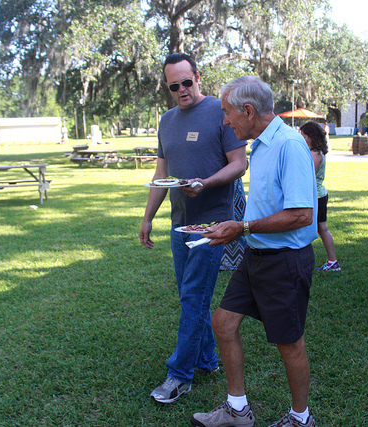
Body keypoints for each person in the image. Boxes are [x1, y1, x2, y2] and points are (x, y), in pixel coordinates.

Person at [192, 76, 319, 427]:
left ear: (248, 111)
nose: (225, 121)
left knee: (289, 343)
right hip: (257, 255)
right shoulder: (261, 145)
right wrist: (235, 225)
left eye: (227, 112)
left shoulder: (289, 145)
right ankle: (237, 410)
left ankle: (301, 419)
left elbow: (301, 215)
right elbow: (267, 203)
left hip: (285, 261)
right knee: (223, 322)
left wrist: (243, 228)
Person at [139, 53, 247, 404]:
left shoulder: (219, 111)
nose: (182, 89)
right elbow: (161, 174)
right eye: (175, 86)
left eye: (187, 82)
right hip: (179, 223)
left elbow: (239, 164)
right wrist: (148, 217)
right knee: (191, 296)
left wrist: (206, 183)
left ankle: (179, 374)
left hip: (212, 223)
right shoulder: (167, 120)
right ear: (168, 87)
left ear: (198, 77)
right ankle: (207, 358)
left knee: (193, 297)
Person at [299, 121, 341, 272]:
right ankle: (332, 261)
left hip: (315, 196)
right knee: (322, 228)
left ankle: (330, 261)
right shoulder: (317, 152)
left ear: (312, 137)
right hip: (319, 195)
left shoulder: (315, 154)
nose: (301, 138)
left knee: (316, 228)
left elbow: (309, 177)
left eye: (303, 136)